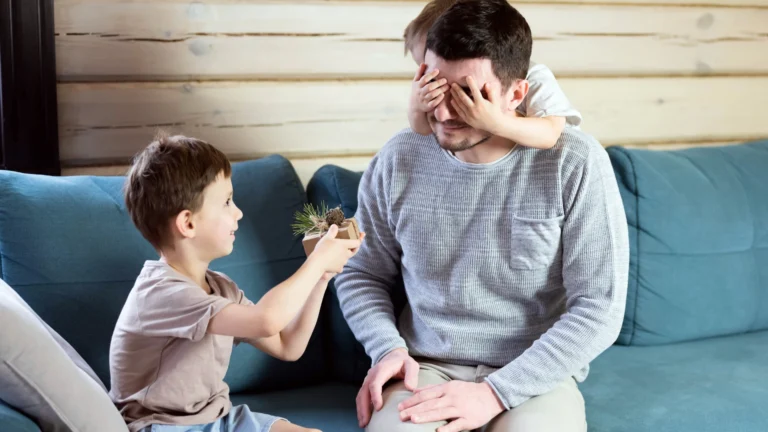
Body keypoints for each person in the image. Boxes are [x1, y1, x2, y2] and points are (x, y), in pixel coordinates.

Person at [335, 1, 629, 431]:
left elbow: (599, 308)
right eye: (435, 87)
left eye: (470, 95)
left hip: (534, 376)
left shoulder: (576, 161)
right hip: (425, 367)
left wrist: (495, 393)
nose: (446, 112)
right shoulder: (399, 157)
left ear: (516, 95)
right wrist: (387, 350)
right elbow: (362, 273)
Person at [109, 134, 363, 432]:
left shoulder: (220, 288)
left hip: (217, 419)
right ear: (187, 223)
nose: (238, 212)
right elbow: (267, 320)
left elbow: (288, 346)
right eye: (227, 202)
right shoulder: (161, 294)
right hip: (164, 427)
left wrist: (322, 278)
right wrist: (316, 260)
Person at [405, 0, 581, 151]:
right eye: (431, 75)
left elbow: (549, 134)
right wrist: (417, 106)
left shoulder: (535, 77)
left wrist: (496, 123)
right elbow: (422, 129)